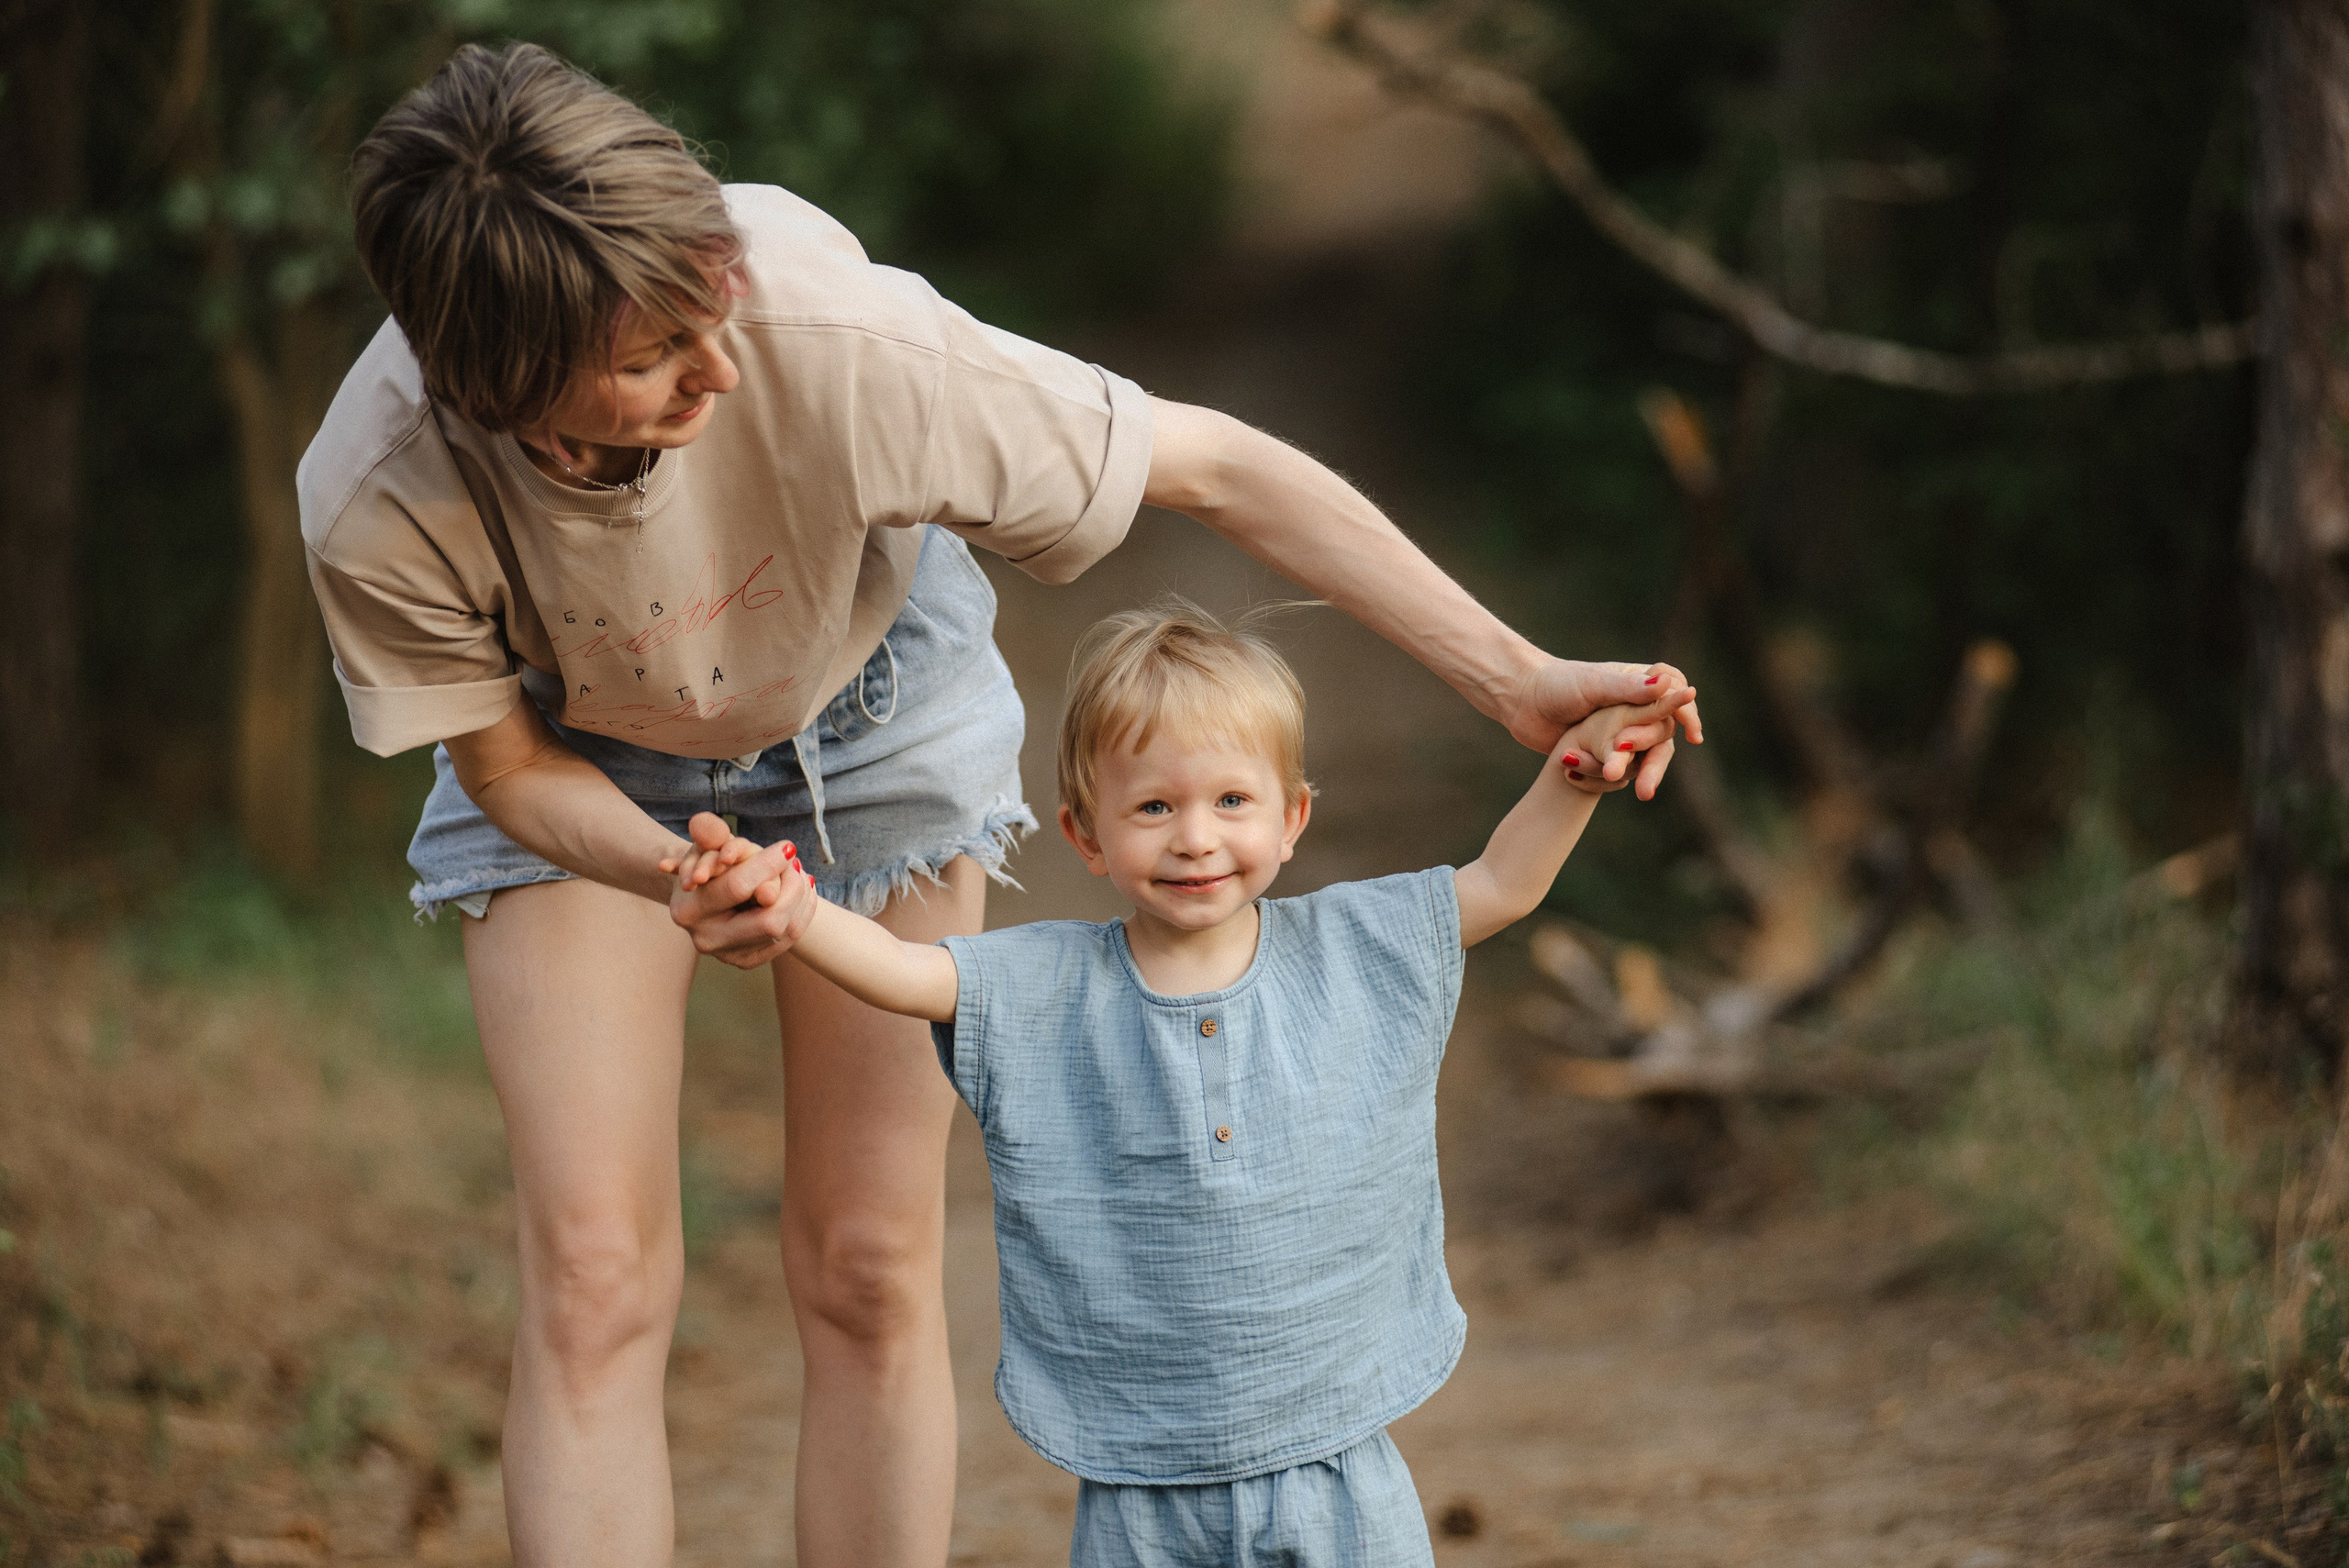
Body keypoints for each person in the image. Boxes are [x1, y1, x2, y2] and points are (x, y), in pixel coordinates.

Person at [303, 39, 1700, 1568]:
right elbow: (505, 770)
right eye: (650, 358)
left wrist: (1513, 677)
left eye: (711, 303)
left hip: (871, 715)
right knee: (591, 1273)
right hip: (580, 758)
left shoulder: (826, 332)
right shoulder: (384, 490)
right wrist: (674, 864)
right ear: (499, 389)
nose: (716, 364)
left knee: (866, 1257)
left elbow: (1219, 466)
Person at [685, 602, 1685, 1566]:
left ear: (1292, 816)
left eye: (1231, 801)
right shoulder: (1046, 983)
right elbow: (910, 973)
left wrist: (1579, 771)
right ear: (1086, 834)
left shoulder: (1351, 944)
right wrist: (794, 911)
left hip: (1334, 1455)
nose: (1195, 836)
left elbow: (1502, 881)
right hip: (1139, 1479)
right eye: (1154, 806)